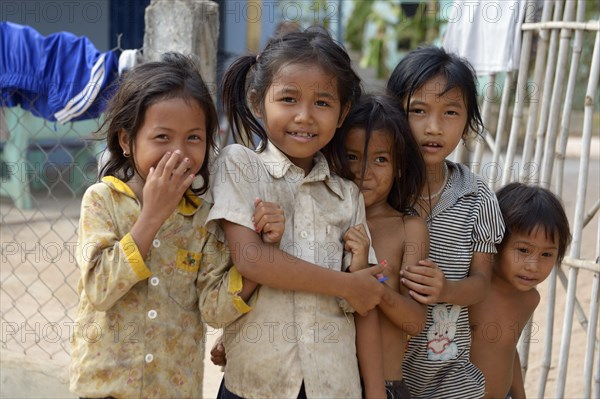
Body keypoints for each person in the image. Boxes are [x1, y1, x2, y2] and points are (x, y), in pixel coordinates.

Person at [202, 28, 387, 399]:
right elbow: (253, 259)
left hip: (333, 384)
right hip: (257, 382)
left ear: (342, 113)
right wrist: (347, 285)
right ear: (258, 104)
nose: (304, 116)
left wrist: (376, 392)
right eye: (288, 99)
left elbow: (367, 296)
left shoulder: (347, 195)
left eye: (322, 103)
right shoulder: (240, 166)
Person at [70, 53, 240, 398]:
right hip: (105, 387)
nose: (178, 153)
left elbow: (214, 310)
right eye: (162, 137)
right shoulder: (102, 201)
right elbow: (100, 289)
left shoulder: (202, 220)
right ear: (125, 141)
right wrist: (152, 216)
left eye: (194, 138)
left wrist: (258, 254)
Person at [386, 45, 506, 398]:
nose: (433, 127)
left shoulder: (476, 197)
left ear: (468, 121)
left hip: (447, 374)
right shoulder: (377, 191)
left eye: (450, 112)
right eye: (418, 111)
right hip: (381, 367)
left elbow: (482, 282)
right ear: (395, 114)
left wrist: (447, 290)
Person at [326, 94, 430, 399]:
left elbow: (415, 321)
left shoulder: (408, 230)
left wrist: (371, 280)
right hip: (327, 384)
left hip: (386, 387)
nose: (364, 172)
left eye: (380, 159)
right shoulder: (322, 218)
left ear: (399, 167)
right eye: (353, 156)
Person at [470, 182, 571, 399]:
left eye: (546, 255)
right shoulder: (471, 290)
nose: (533, 266)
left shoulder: (529, 299)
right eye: (523, 250)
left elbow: (507, 349)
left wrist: (520, 394)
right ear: (496, 242)